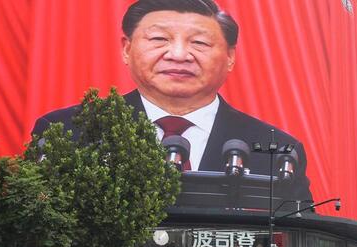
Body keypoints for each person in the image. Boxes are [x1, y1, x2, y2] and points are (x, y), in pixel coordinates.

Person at [31, 0, 312, 201]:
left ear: (230, 57)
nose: (178, 54)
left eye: (199, 43)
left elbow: (304, 241)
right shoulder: (67, 132)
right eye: (159, 39)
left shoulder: (279, 151)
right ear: (127, 49)